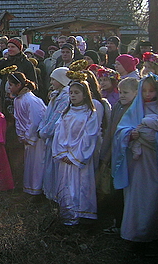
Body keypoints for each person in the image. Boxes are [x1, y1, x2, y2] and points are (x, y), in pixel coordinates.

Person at [112, 74, 158, 248]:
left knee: (152, 197)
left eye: (152, 91)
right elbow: (120, 131)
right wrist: (130, 135)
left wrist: (147, 136)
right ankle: (134, 234)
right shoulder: (136, 109)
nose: (148, 95)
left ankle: (150, 234)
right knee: (136, 198)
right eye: (144, 90)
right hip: (137, 164)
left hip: (153, 162)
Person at [52, 80, 101, 225]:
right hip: (64, 156)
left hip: (79, 159)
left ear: (85, 95)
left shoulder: (90, 114)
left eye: (77, 93)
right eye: (71, 92)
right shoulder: (66, 112)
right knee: (65, 186)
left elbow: (89, 136)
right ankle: (67, 216)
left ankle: (82, 217)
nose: (73, 95)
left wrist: (75, 156)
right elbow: (58, 132)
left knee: (80, 186)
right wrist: (62, 153)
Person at [97, 77, 138, 234]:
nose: (121, 95)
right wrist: (105, 155)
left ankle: (127, 223)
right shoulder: (118, 106)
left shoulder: (136, 109)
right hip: (115, 152)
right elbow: (110, 133)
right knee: (116, 190)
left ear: (136, 93)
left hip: (130, 155)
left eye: (126, 93)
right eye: (120, 92)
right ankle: (117, 221)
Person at [8, 71, 46, 196]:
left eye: (11, 85)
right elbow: (18, 119)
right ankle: (29, 189)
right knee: (30, 165)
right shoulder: (18, 99)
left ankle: (37, 190)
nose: (9, 88)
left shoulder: (30, 100)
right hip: (27, 139)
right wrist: (21, 135)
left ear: (18, 85)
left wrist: (28, 136)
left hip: (36, 139)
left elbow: (35, 121)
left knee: (37, 165)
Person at [37, 67, 70, 201]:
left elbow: (56, 117)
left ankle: (55, 197)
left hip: (56, 137)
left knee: (55, 170)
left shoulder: (65, 97)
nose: (51, 82)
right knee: (49, 169)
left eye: (53, 79)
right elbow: (47, 116)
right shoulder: (57, 94)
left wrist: (44, 132)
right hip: (50, 137)